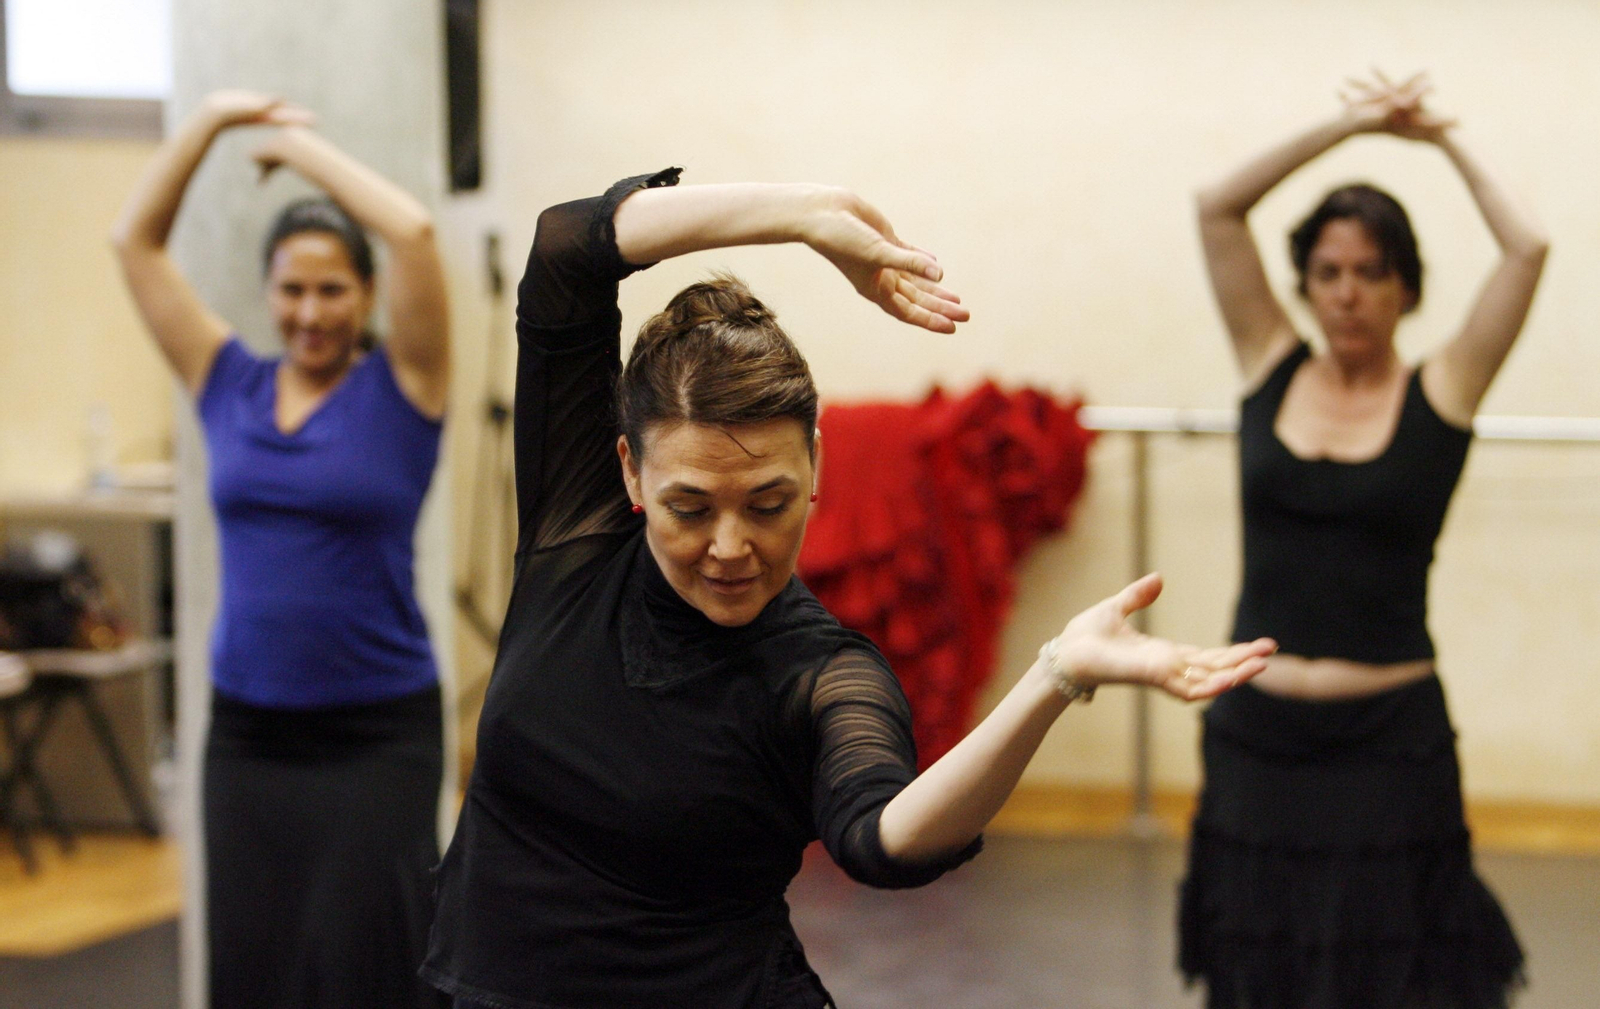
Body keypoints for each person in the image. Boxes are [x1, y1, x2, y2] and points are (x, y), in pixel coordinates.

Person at [421, 168, 1275, 1008]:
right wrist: (808, 214)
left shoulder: (821, 672)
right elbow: (566, 246)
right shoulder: (577, 532)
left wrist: (1056, 676)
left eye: (768, 503)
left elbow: (887, 838)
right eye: (690, 507)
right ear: (629, 473)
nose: (730, 546)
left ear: (817, 465)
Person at [1179, 72, 1547, 1008]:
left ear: (1405, 287)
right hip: (1255, 737)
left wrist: (1439, 141)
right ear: (1305, 283)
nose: (1348, 293)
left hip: (1388, 744)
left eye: (1372, 271)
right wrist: (1346, 127)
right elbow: (1218, 207)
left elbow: (1528, 246)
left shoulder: (1446, 388)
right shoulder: (1269, 358)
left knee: (1391, 975)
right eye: (1330, 271)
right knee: (1261, 968)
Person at [111, 90, 450, 1009]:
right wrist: (212, 126)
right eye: (291, 288)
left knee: (366, 969)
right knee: (251, 970)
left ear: (366, 293)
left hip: (377, 735)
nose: (309, 311)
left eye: (332, 286)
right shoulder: (226, 379)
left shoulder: (405, 387)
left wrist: (296, 153)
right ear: (267, 292)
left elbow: (414, 233)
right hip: (249, 737)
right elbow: (133, 243)